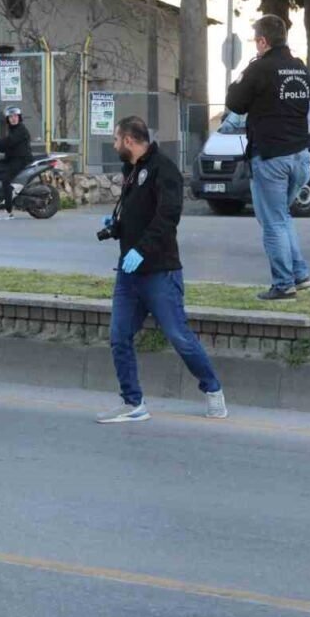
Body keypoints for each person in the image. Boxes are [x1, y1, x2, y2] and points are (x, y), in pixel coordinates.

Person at [95, 115, 226, 424]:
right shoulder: (132, 170)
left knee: (179, 336)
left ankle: (213, 390)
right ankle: (133, 403)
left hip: (159, 272)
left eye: (116, 140)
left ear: (129, 140)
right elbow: (137, 215)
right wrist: (117, 228)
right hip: (129, 274)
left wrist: (141, 250)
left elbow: (166, 218)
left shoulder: (163, 170)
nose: (114, 146)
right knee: (119, 336)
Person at [225, 14, 310, 301]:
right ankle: (300, 275)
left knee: (273, 222)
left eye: (255, 41)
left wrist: (245, 74)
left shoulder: (260, 68)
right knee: (282, 217)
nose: (255, 46)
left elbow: (234, 102)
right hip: (301, 157)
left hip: (272, 157)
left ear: (263, 41)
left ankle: (283, 283)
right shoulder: (300, 69)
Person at [0, 106, 32, 220]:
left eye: (15, 116)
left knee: (6, 179)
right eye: (10, 117)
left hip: (21, 159)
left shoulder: (21, 130)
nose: (13, 119)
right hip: (12, 158)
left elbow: (8, 142)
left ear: (19, 117)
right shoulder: (12, 129)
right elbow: (5, 146)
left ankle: (8, 211)